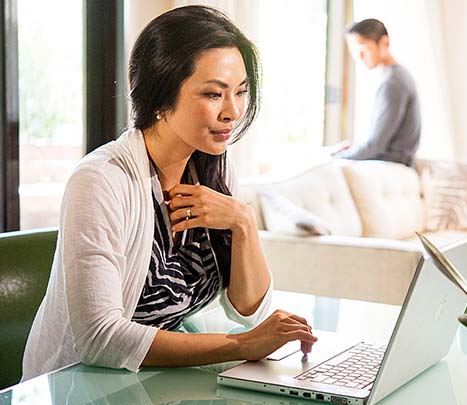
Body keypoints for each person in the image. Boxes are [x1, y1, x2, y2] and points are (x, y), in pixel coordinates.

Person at [22, 5, 317, 380]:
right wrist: (243, 346)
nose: (233, 112)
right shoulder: (101, 180)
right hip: (78, 385)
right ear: (160, 99)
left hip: (151, 382)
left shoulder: (212, 163)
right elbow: (99, 338)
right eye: (214, 94)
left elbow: (249, 310)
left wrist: (243, 222)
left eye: (241, 92)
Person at [334, 18, 421, 167]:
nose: (359, 57)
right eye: (355, 51)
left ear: (384, 43)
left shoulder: (392, 82)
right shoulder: (398, 75)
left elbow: (375, 146)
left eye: (364, 48)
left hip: (391, 163)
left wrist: (336, 156)